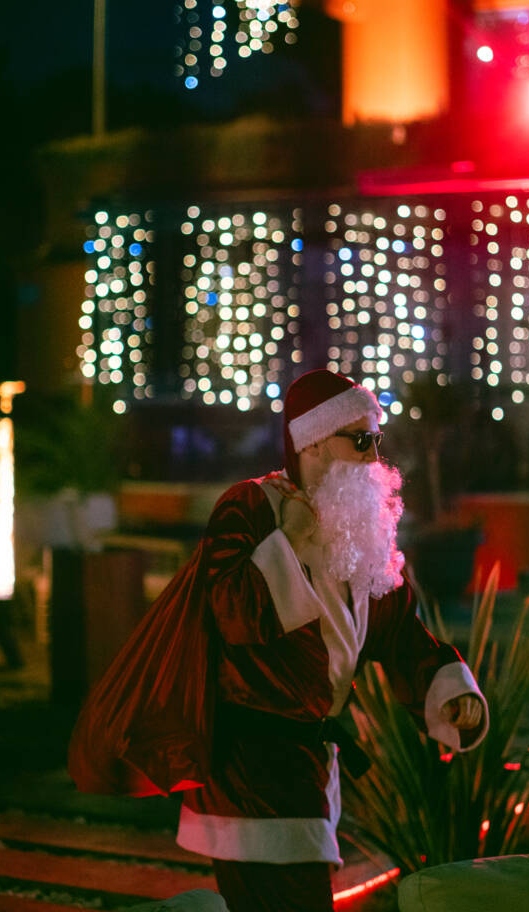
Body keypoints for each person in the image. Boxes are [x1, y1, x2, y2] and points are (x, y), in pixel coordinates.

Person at [69, 369, 488, 912]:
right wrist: (288, 537)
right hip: (250, 772)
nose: (373, 457)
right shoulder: (249, 508)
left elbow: (399, 629)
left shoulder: (357, 523)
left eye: (376, 440)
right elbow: (234, 614)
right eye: (360, 440)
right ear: (313, 443)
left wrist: (448, 688)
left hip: (311, 767)